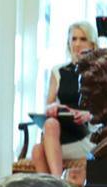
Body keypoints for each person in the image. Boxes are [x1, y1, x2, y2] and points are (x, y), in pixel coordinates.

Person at [30, 21, 98, 176]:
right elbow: (48, 105)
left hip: (86, 132)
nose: (77, 44)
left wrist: (88, 114)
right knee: (38, 147)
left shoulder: (98, 71)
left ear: (92, 44)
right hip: (62, 130)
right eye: (73, 39)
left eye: (83, 39)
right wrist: (54, 107)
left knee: (41, 147)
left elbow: (105, 109)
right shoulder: (58, 71)